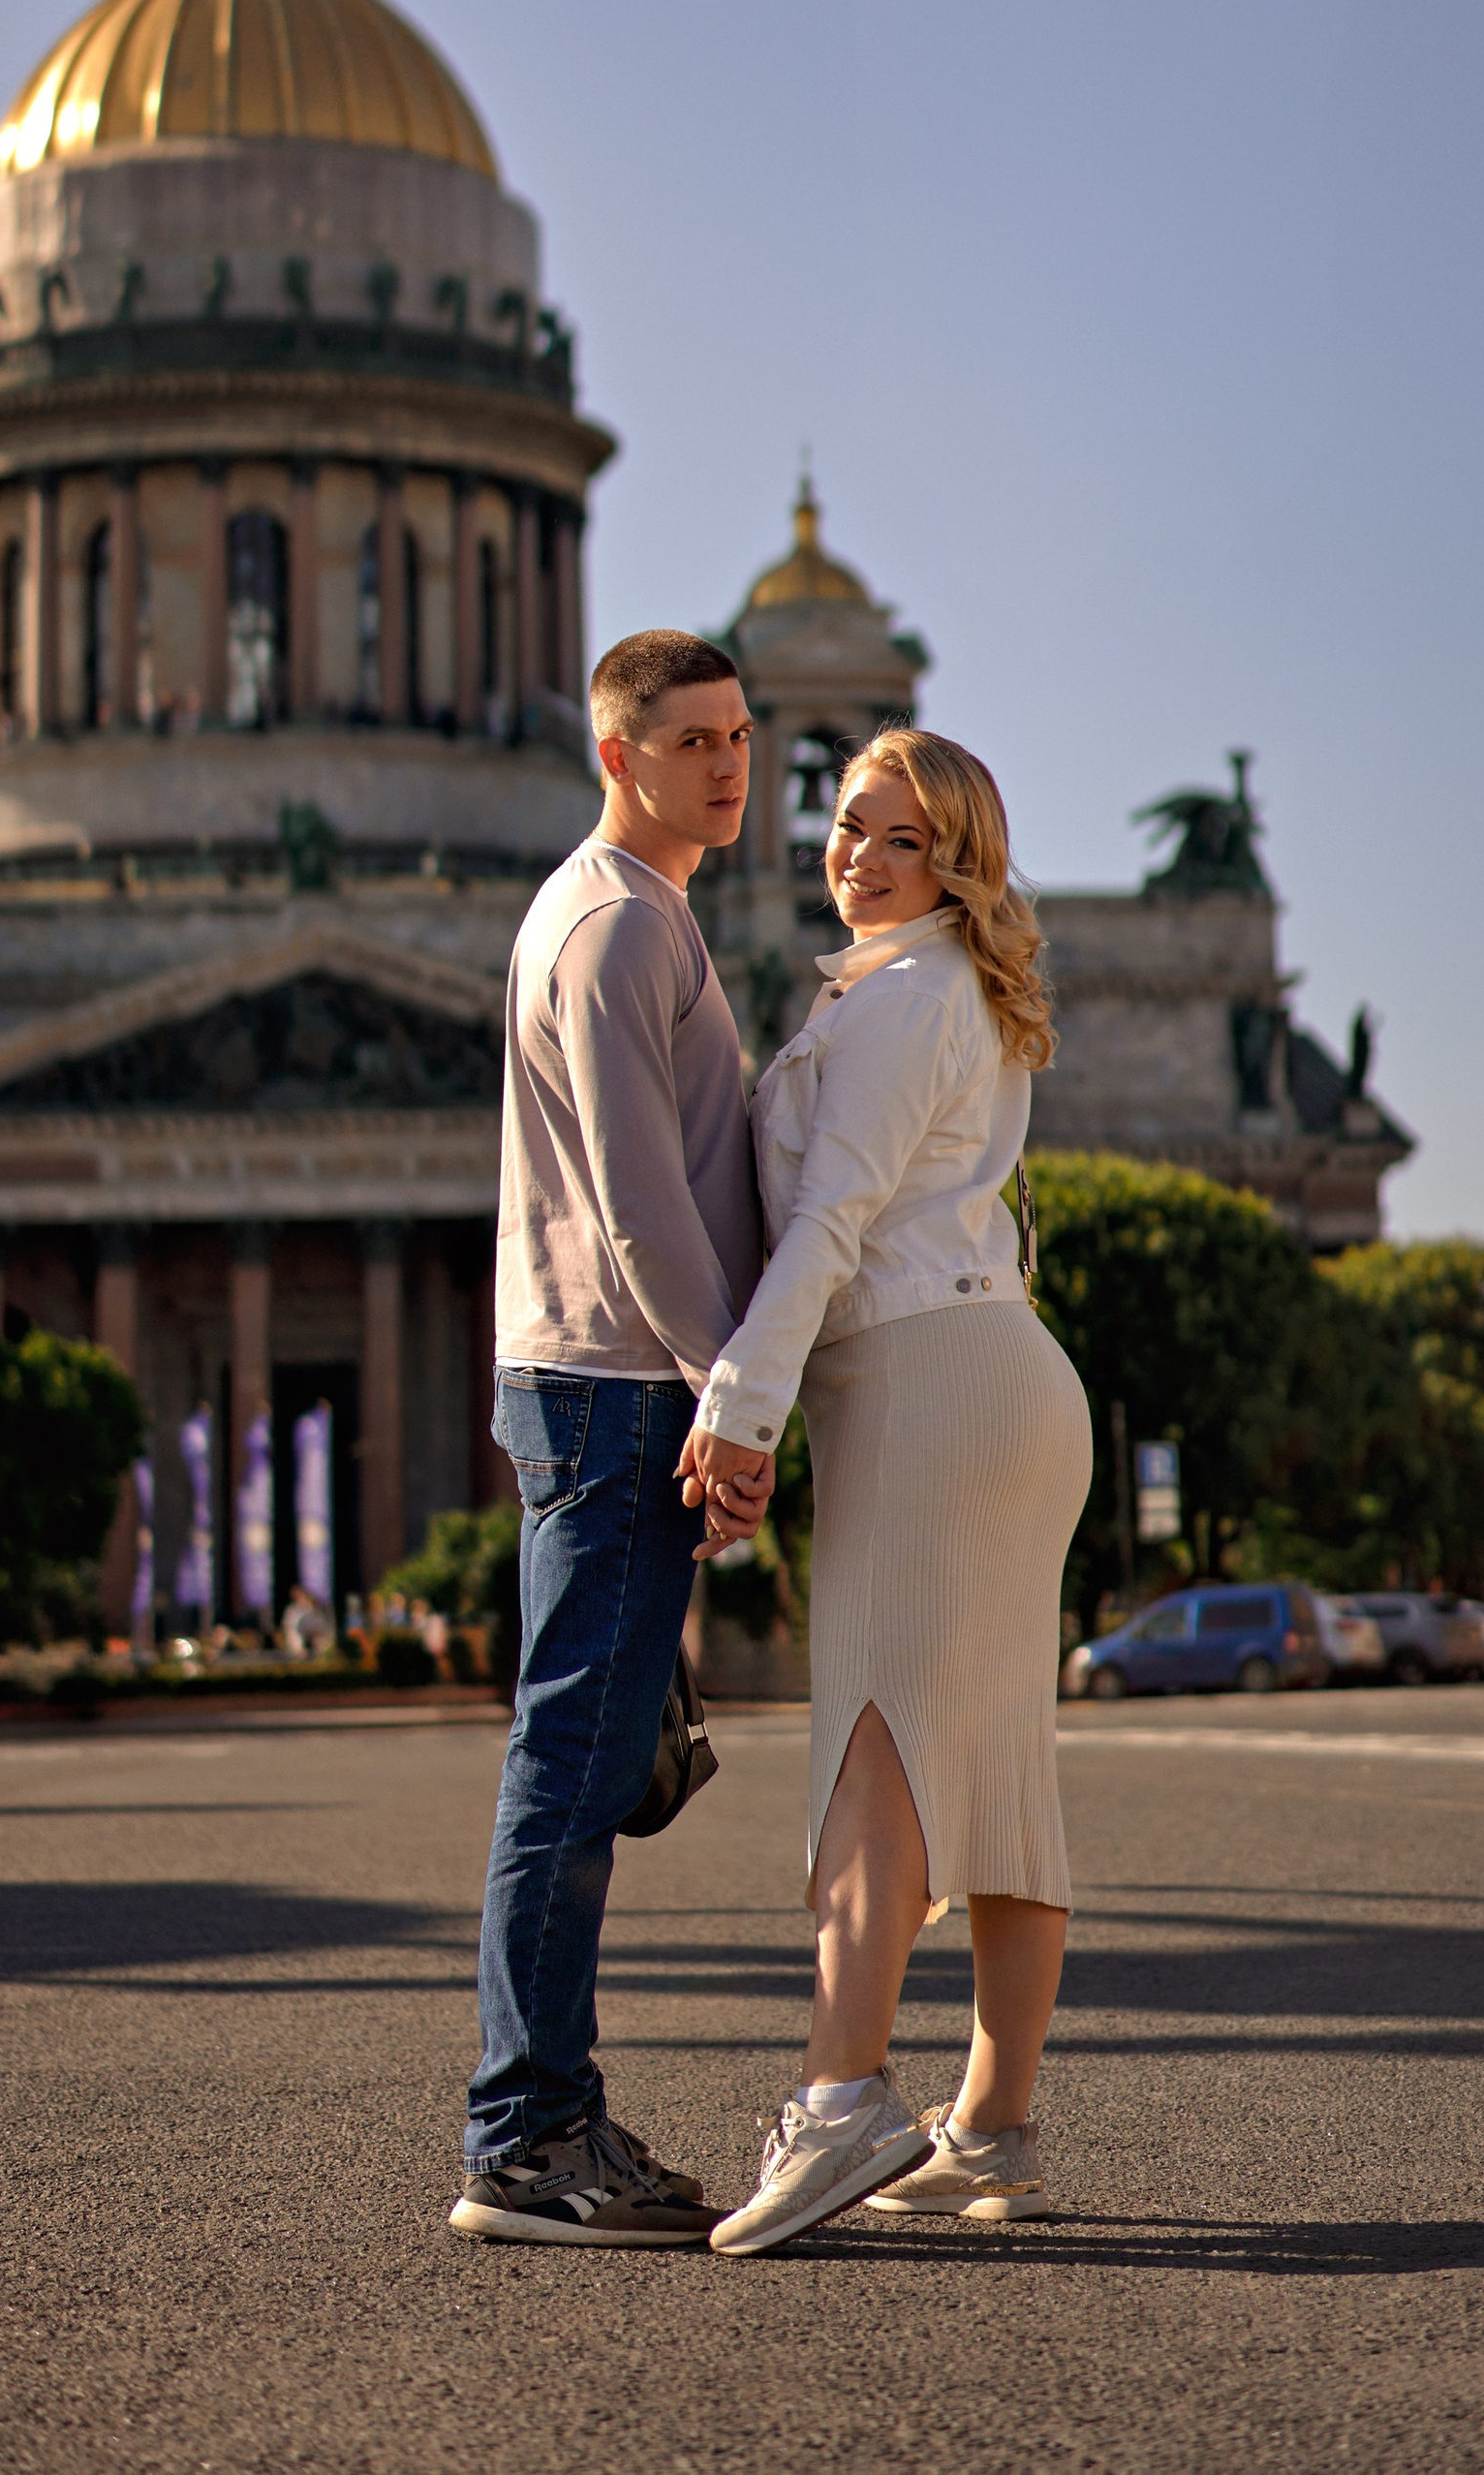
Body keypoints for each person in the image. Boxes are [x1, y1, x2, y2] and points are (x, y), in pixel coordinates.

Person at [685, 727, 1091, 2255]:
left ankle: (845, 2097)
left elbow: (831, 1225)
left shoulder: (900, 998)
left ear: (958, 863)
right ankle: (991, 2126)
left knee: (880, 1749)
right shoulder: (933, 989)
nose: (858, 853)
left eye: (901, 838)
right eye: (849, 824)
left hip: (923, 1383)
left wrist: (738, 1409)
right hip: (995, 1377)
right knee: (995, 1768)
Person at [448, 630, 772, 2246]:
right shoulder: (609, 928)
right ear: (616, 754)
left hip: (613, 1383)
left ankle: (549, 2111)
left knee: (586, 1761)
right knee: (572, 1767)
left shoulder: (641, 914)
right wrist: (736, 1398)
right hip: (619, 1387)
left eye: (738, 735)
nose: (728, 764)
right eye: (693, 739)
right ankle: (524, 2136)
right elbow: (646, 1213)